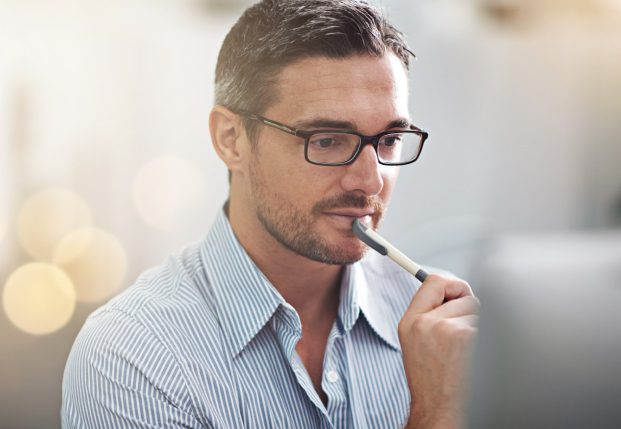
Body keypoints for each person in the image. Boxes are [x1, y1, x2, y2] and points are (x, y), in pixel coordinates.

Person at [61, 1, 479, 428]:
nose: (370, 182)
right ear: (231, 139)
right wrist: (436, 411)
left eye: (389, 139)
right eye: (328, 140)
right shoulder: (131, 356)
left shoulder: (443, 331)